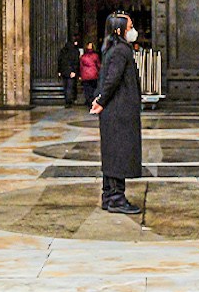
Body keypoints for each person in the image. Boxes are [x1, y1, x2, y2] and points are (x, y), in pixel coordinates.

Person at [89, 12, 142, 215]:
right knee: (119, 154)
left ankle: (108, 195)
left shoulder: (112, 49)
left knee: (112, 153)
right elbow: (112, 79)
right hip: (119, 111)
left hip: (114, 111)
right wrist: (101, 101)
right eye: (129, 27)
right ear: (120, 30)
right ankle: (116, 198)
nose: (133, 31)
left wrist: (100, 100)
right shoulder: (121, 51)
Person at [57, 36, 82, 107]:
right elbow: (76, 62)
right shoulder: (75, 51)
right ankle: (69, 101)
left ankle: (67, 100)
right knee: (70, 87)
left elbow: (60, 61)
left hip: (64, 71)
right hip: (71, 71)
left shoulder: (63, 50)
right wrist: (75, 72)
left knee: (66, 87)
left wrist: (59, 71)